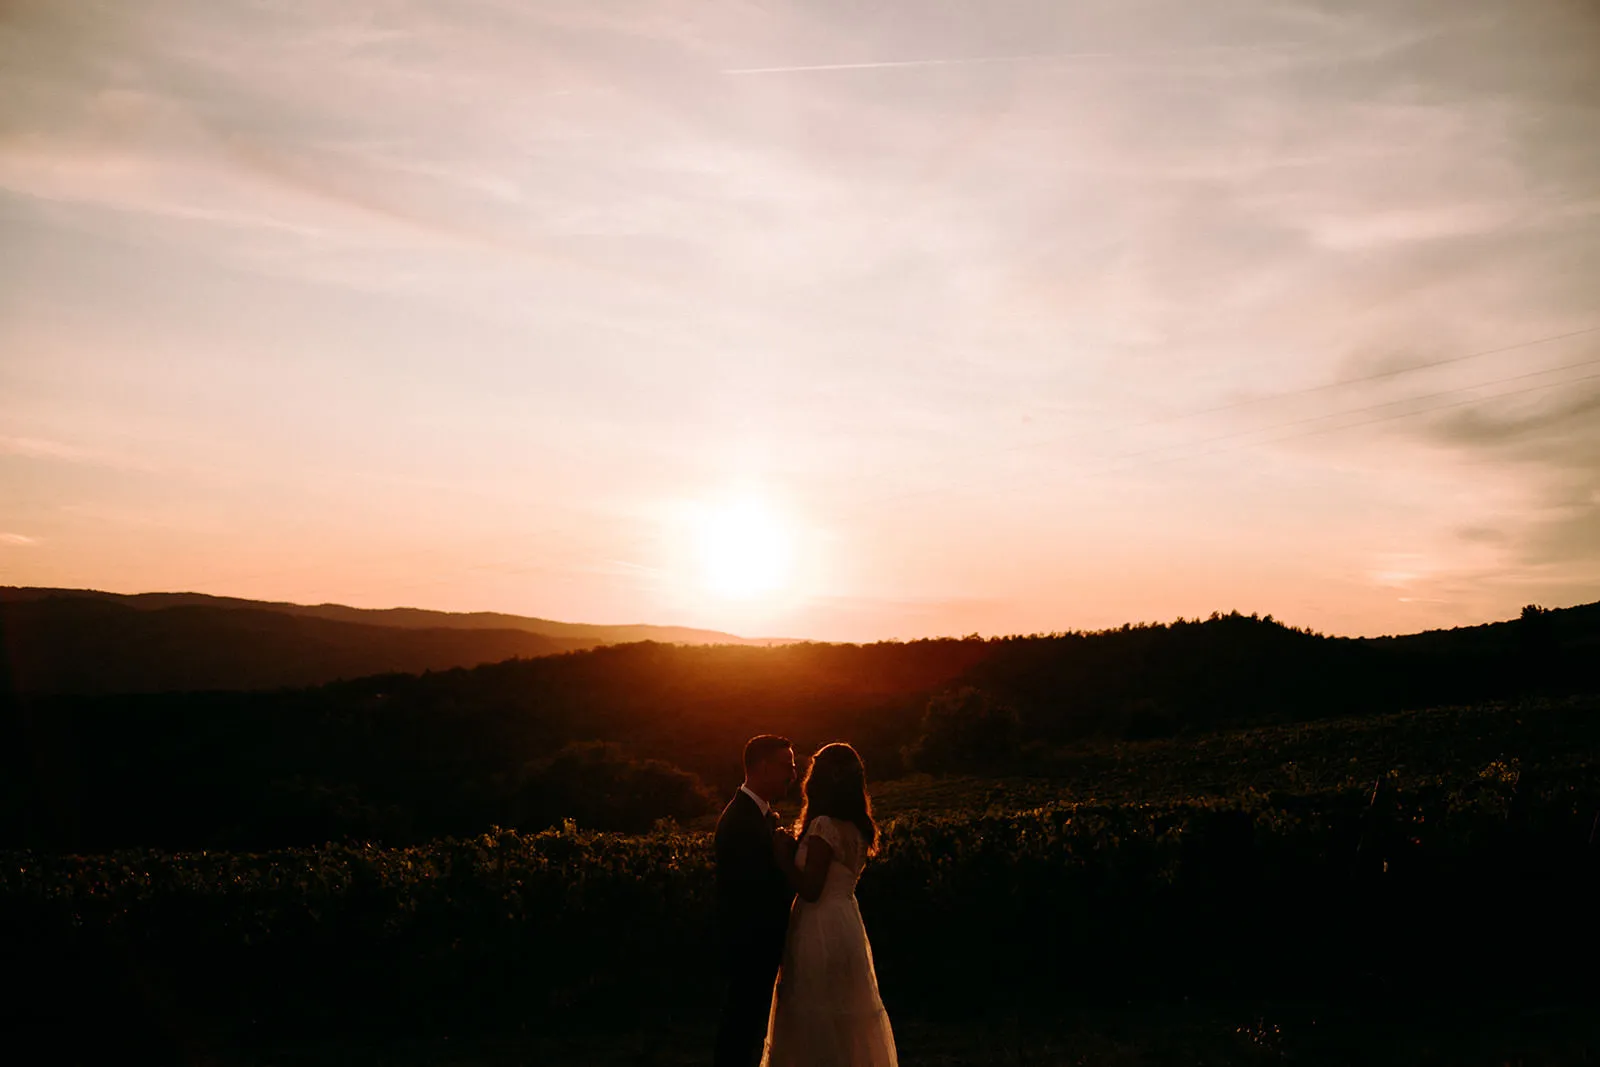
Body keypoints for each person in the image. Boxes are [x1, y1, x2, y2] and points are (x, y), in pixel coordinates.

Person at [760, 742, 898, 1067]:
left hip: (818, 925)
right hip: (847, 922)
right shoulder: (858, 828)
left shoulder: (823, 824)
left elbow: (810, 889)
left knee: (813, 1010)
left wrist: (783, 856)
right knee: (845, 1012)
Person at [714, 734, 799, 1067]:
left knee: (747, 1029)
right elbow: (752, 891)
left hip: (758, 944)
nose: (793, 775)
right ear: (763, 767)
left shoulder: (759, 815)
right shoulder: (740, 821)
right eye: (787, 766)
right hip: (750, 944)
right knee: (740, 1031)